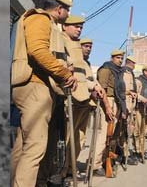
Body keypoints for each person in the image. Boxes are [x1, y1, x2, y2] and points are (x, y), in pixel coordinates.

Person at [10, 0, 76, 187]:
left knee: (23, 147)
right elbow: (37, 51)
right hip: (35, 87)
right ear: (59, 9)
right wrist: (64, 74)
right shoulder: (40, 18)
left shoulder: (45, 22)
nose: (68, 14)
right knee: (35, 148)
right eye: (67, 10)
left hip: (34, 87)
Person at [59, 15, 105, 181]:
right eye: (76, 26)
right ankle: (61, 171)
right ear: (65, 26)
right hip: (69, 98)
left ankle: (70, 168)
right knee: (67, 137)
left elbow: (85, 77)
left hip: (83, 100)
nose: (79, 29)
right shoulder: (61, 40)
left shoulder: (80, 54)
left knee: (79, 137)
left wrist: (95, 87)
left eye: (81, 27)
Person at [94, 49, 125, 177]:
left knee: (111, 136)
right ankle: (95, 165)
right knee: (103, 135)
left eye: (121, 58)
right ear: (112, 57)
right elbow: (101, 90)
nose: (120, 60)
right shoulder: (106, 69)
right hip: (108, 102)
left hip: (116, 103)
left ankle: (105, 160)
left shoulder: (118, 72)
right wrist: (107, 106)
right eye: (118, 57)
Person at [122, 55, 146, 166]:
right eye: (133, 63)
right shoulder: (122, 73)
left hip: (131, 108)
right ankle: (123, 154)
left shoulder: (132, 75)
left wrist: (142, 99)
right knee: (123, 133)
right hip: (124, 107)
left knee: (128, 133)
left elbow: (135, 93)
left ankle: (125, 154)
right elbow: (121, 90)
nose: (133, 66)